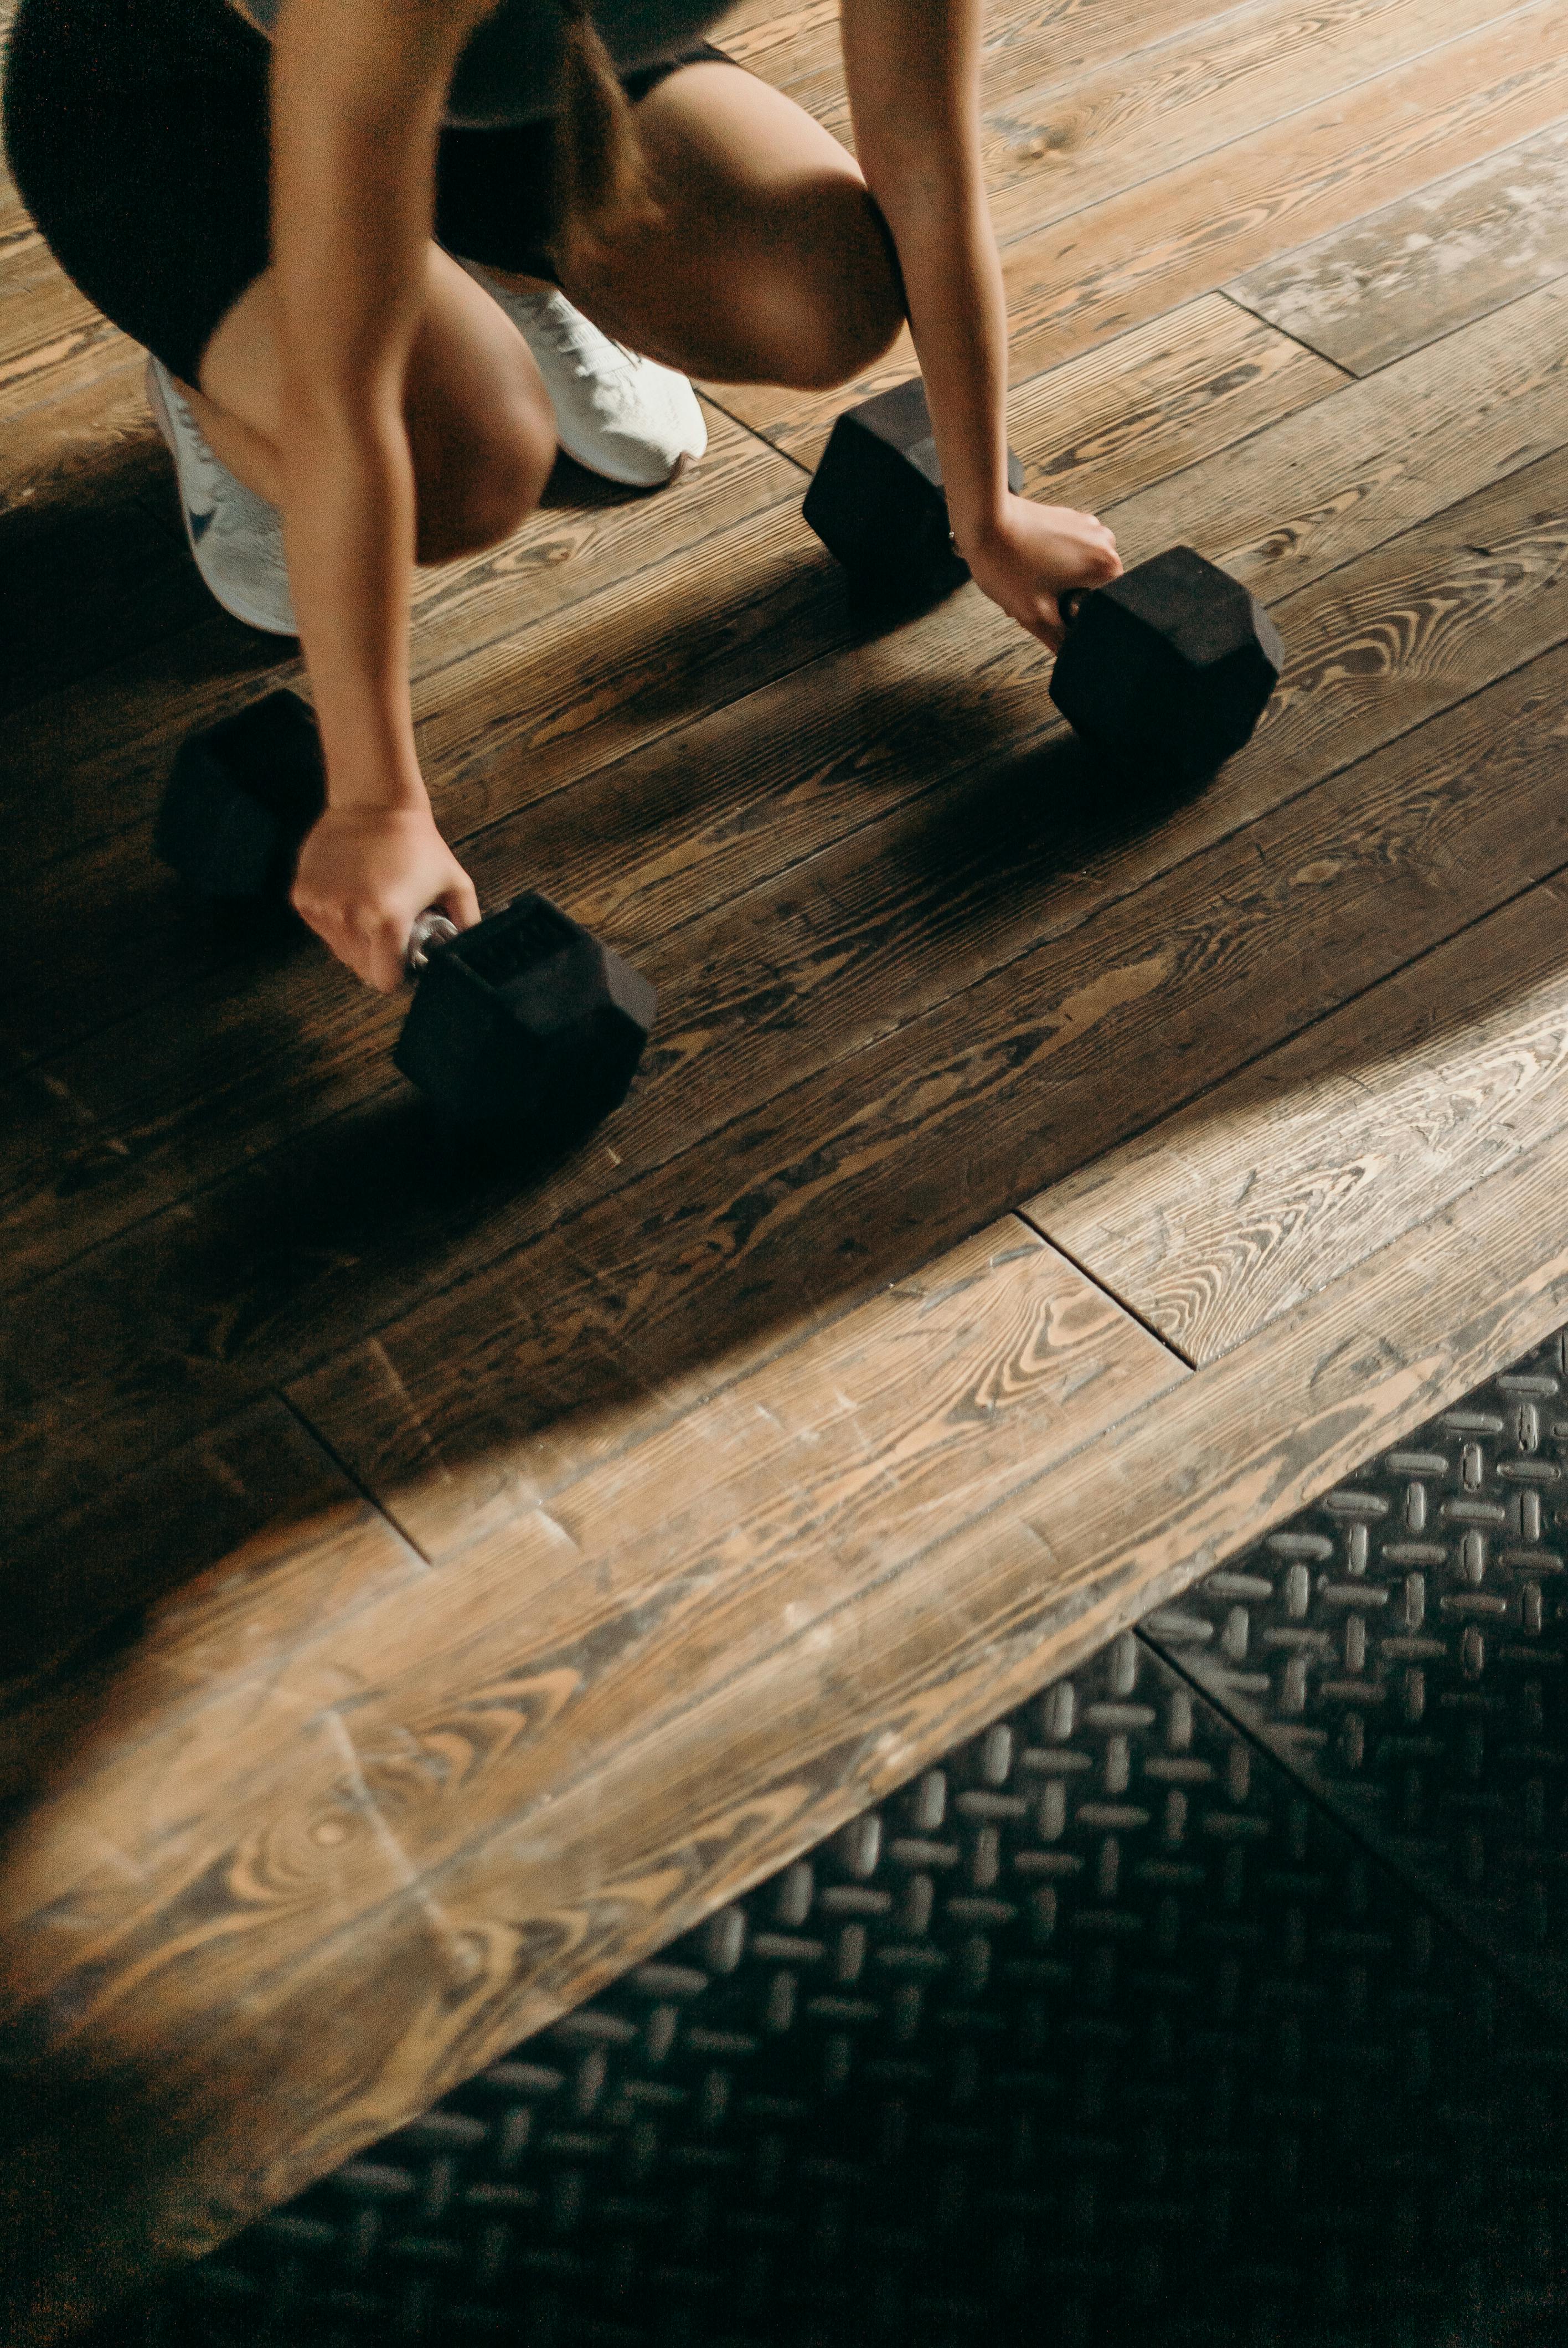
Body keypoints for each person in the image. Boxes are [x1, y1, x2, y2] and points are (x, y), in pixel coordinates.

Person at [3, 0, 1121, 993]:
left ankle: (509, 271)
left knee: (819, 293)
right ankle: (210, 375)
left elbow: (924, 166)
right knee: (459, 468)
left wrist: (985, 508)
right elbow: (350, 401)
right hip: (188, 107)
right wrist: (375, 804)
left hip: (518, 77)